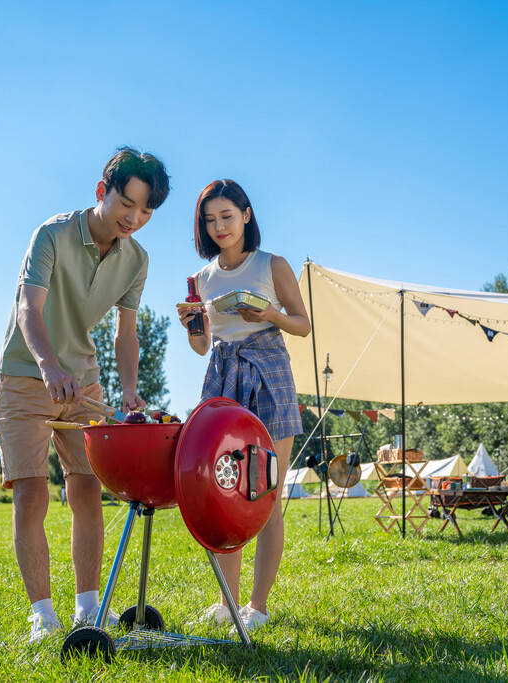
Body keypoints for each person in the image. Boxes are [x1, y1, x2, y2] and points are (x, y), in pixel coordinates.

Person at [0, 147, 171, 642]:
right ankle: (42, 615)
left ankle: (88, 609)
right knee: (31, 494)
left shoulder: (136, 259)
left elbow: (126, 331)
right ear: (102, 192)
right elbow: (29, 308)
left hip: (84, 382)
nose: (134, 218)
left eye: (146, 211)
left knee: (88, 488)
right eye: (127, 204)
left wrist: (130, 389)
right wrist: (49, 365)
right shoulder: (51, 234)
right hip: (27, 375)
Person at [177, 179, 311, 634]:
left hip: (269, 369)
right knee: (223, 493)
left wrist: (269, 314)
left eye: (227, 216)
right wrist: (193, 325)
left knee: (266, 496)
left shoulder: (272, 265)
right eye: (210, 219)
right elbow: (201, 347)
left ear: (247, 215)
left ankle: (258, 607)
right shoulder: (202, 280)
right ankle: (226, 603)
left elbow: (303, 324)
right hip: (222, 373)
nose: (219, 226)